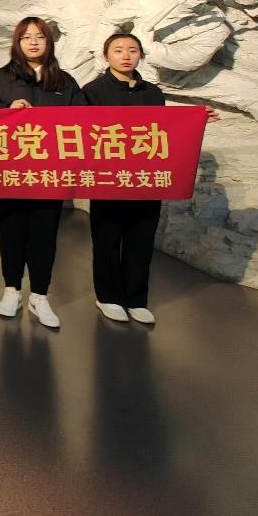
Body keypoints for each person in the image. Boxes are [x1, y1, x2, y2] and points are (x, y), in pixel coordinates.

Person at [0, 16, 88, 329]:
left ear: (49, 43)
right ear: (17, 43)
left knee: (44, 236)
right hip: (10, 172)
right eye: (26, 37)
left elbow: (85, 120)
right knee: (11, 232)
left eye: (40, 37)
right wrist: (5, 111)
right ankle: (11, 289)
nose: (33, 42)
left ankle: (40, 294)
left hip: (50, 174)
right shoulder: (0, 79)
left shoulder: (64, 82)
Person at [82, 33, 192, 325]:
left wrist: (195, 119)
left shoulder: (153, 93)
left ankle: (136, 299)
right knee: (107, 239)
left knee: (141, 239)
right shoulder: (92, 91)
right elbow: (82, 133)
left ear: (141, 56)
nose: (126, 56)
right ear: (106, 56)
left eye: (132, 50)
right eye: (118, 50)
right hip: (108, 178)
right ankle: (108, 297)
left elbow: (163, 131)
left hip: (145, 178)